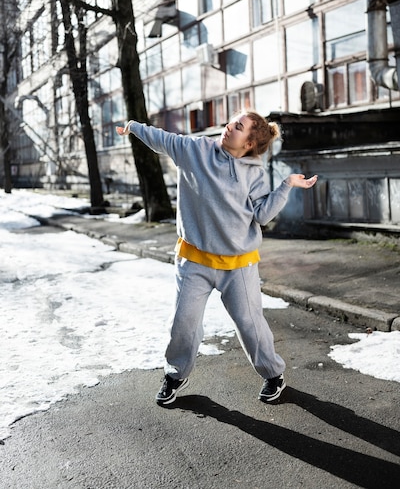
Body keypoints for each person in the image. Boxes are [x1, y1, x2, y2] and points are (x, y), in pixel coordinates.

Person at [116, 111, 317, 406]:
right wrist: (134, 127)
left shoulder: (254, 172)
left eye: (237, 127)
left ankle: (273, 374)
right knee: (183, 322)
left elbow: (261, 213)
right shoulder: (196, 150)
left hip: (238, 265)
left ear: (248, 143)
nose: (228, 127)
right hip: (194, 260)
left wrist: (286, 186)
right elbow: (162, 139)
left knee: (250, 324)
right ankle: (175, 374)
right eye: (230, 122)